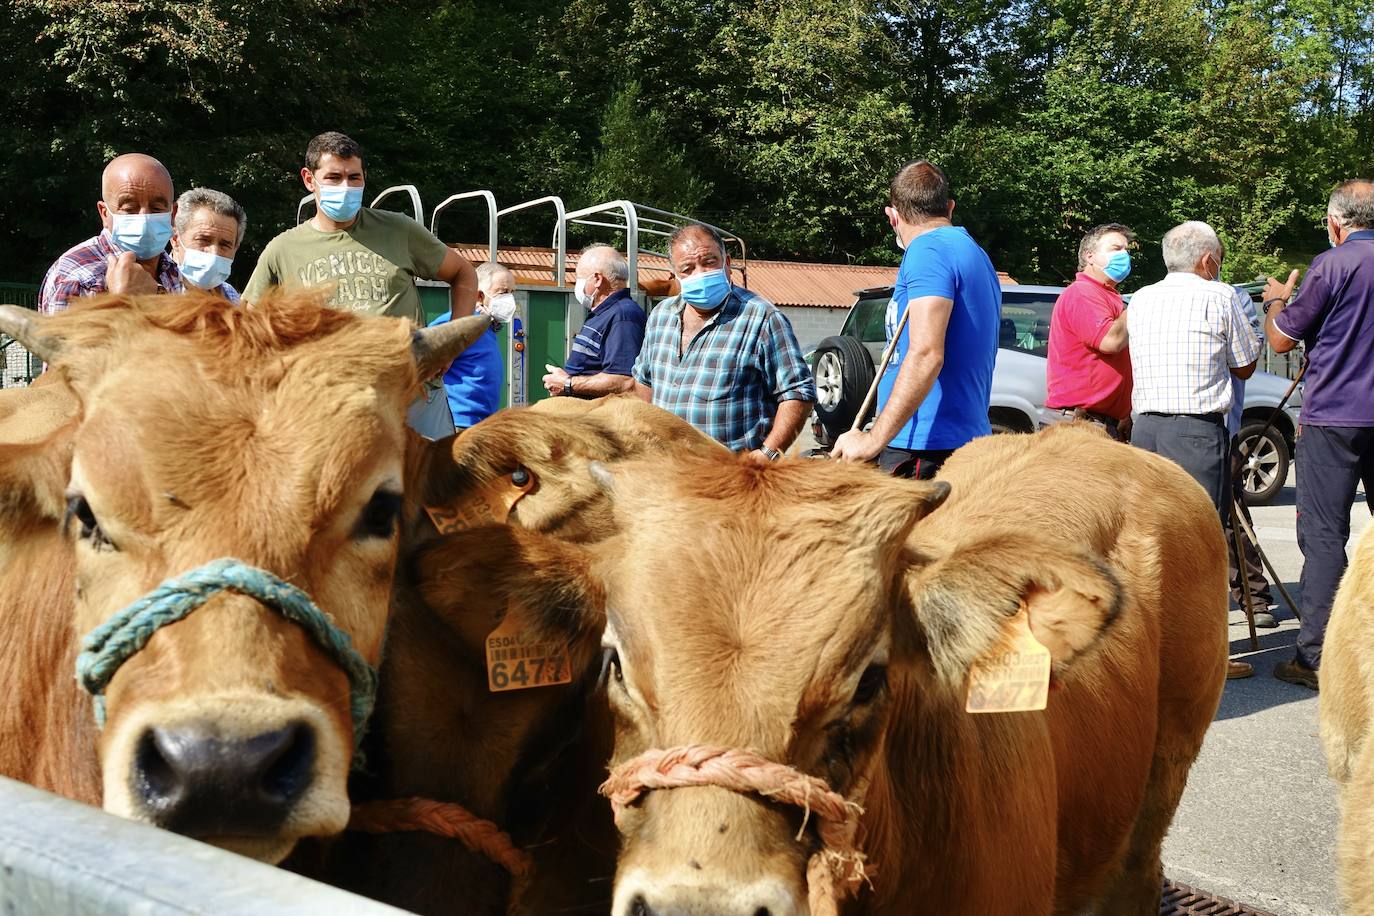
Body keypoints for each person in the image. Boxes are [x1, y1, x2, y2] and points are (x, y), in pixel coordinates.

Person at [1127, 221, 1260, 680]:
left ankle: (1155, 648)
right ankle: (1203, 655)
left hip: (1145, 431)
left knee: (1151, 540)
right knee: (1201, 544)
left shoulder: (1140, 299)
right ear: (1208, 261)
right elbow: (1244, 366)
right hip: (1196, 431)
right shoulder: (1220, 296)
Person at [1262, 178, 1374, 690]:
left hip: (1334, 415)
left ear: (1336, 221)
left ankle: (1316, 657)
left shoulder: (1334, 263)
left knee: (1326, 535)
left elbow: (1282, 341)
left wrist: (1277, 303)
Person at [831, 160, 1001, 478]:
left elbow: (926, 353)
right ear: (949, 207)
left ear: (892, 216)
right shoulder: (975, 253)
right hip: (962, 441)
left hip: (923, 447)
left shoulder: (928, 250)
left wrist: (872, 440)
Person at [244, 131, 477, 323]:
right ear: (308, 180)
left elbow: (463, 273)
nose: (346, 187)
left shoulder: (398, 229)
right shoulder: (283, 250)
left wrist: (456, 340)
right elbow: (248, 319)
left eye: (354, 177)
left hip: (405, 377)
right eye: (333, 177)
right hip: (327, 379)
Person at [631, 223, 815, 459]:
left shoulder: (762, 318)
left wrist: (767, 453)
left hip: (731, 478)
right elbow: (644, 380)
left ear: (727, 264)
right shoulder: (660, 316)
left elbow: (798, 393)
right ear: (675, 275)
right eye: (688, 268)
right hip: (666, 472)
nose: (700, 274)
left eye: (709, 262)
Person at [40, 153, 182, 314]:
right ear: (104, 213)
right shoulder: (78, 278)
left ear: (172, 214)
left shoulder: (173, 270)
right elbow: (63, 340)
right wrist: (121, 303)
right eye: (129, 209)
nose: (144, 218)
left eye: (156, 209)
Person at [1044, 223, 1135, 440]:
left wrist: (1123, 413)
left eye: (1126, 250)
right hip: (1081, 424)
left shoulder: (1107, 295)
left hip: (1099, 421)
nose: (1124, 255)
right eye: (1116, 249)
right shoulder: (1083, 292)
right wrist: (1139, 303)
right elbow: (1110, 342)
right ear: (1090, 256)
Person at [1223, 279, 1277, 629]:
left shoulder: (1234, 298)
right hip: (1154, 422)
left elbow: (1245, 357)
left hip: (1220, 423)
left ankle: (1254, 597)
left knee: (1233, 519)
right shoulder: (1154, 297)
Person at [541, 244, 646, 398]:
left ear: (597, 279)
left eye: (579, 277)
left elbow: (624, 381)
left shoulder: (623, 316)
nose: (577, 284)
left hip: (599, 417)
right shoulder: (604, 312)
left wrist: (568, 383)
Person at [429, 261, 515, 431]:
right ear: (480, 296)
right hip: (456, 423)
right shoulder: (458, 322)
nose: (509, 298)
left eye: (512, 292)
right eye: (503, 292)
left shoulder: (487, 329)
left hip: (481, 424)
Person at [171, 188, 246, 303]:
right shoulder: (150, 288)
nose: (214, 252)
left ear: (236, 249)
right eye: (203, 240)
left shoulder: (231, 298)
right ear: (175, 239)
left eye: (224, 245)